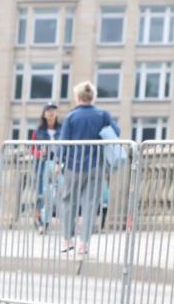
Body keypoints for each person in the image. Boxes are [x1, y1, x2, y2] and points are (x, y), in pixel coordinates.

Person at [57, 81, 120, 256]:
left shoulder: (71, 117)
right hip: (96, 165)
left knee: (69, 202)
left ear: (77, 97)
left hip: (73, 165)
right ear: (93, 97)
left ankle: (67, 239)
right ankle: (83, 243)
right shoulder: (102, 115)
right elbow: (116, 131)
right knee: (90, 204)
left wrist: (58, 162)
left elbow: (63, 142)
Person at [31, 103, 61, 233]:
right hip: (42, 164)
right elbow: (32, 150)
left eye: (53, 110)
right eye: (48, 110)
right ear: (44, 114)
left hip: (58, 165)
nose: (51, 113)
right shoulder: (38, 131)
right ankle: (40, 221)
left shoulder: (62, 129)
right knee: (41, 193)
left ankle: (49, 219)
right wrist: (39, 153)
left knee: (56, 193)